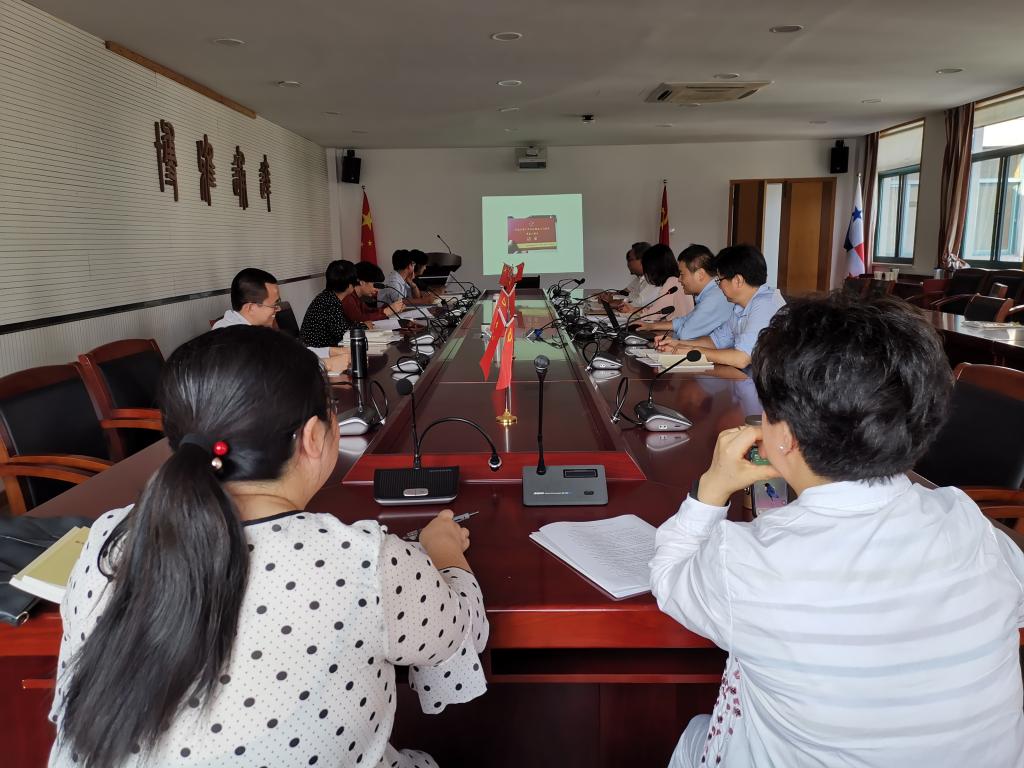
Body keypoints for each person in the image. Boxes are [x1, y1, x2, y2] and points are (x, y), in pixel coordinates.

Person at [49, 326, 488, 768]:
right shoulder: (362, 561)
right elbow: (462, 632)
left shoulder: (109, 540)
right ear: (313, 436)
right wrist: (444, 552)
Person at [650, 294, 1024, 768]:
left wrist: (712, 488)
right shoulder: (968, 522)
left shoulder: (746, 561)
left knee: (692, 737)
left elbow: (669, 576)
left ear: (784, 437)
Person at [655, 244, 784, 370]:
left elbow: (741, 358)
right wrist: (678, 344)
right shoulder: (740, 306)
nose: (719, 286)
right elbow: (715, 341)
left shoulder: (765, 304)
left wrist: (693, 351)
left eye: (720, 280)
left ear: (738, 280)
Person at [213, 267, 349, 373]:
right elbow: (273, 371)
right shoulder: (228, 335)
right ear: (251, 308)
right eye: (273, 305)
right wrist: (326, 364)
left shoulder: (255, 328)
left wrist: (330, 351)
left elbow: (290, 354)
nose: (277, 309)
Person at [642, 244, 732, 341]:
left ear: (700, 274)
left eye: (682, 274)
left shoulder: (714, 298)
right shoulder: (710, 293)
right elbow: (685, 320)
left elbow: (685, 334)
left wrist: (665, 333)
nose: (679, 279)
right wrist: (652, 326)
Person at [300, 259, 363, 348]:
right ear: (349, 285)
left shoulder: (327, 297)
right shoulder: (330, 303)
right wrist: (363, 326)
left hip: (319, 350)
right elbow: (344, 334)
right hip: (317, 353)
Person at [623, 244, 693, 322]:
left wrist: (633, 311)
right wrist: (633, 309)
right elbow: (656, 309)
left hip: (676, 329)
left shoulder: (672, 281)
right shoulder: (674, 279)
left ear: (654, 267)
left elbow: (653, 315)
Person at [342, 261, 405, 325]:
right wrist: (387, 311)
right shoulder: (348, 297)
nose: (377, 290)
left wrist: (391, 308)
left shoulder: (358, 297)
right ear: (362, 282)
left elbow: (368, 311)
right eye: (375, 285)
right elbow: (359, 320)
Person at [602, 242, 650, 308]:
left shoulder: (653, 280)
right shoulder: (639, 278)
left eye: (630, 260)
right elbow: (625, 293)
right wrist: (609, 295)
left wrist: (611, 301)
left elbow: (638, 303)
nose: (628, 264)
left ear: (643, 260)